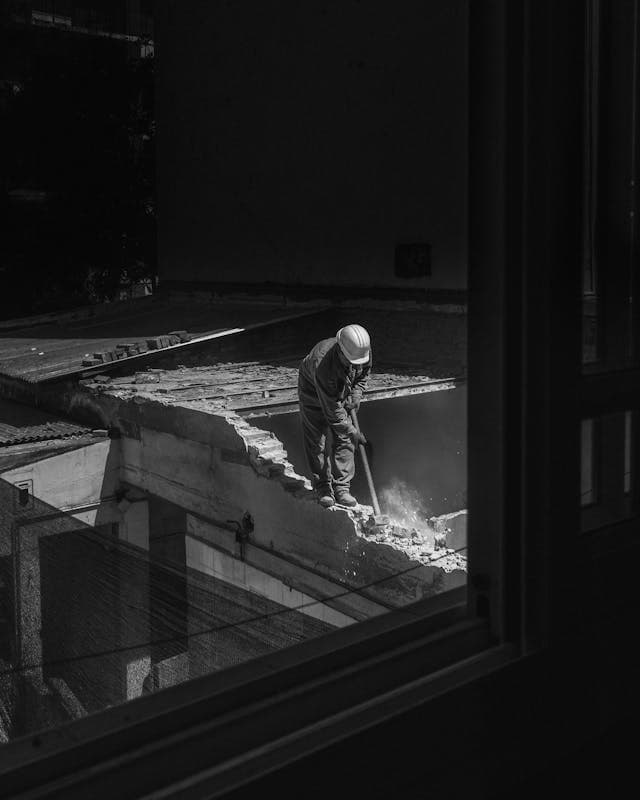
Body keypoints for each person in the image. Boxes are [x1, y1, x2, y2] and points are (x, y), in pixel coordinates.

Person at [297, 324, 371, 508]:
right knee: (318, 441)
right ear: (339, 350)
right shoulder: (322, 363)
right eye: (350, 362)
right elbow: (333, 413)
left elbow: (363, 376)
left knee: (345, 439)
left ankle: (342, 489)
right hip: (313, 392)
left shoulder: (361, 351)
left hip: (340, 389)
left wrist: (356, 395)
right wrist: (352, 430)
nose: (355, 365)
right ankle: (323, 488)